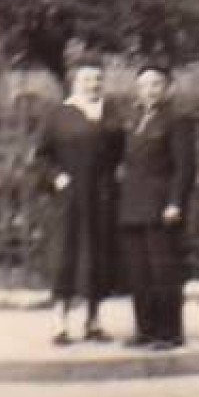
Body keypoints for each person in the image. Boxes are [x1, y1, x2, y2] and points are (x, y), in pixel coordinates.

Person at [35, 55, 125, 345]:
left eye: (98, 79)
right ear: (75, 81)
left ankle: (93, 321)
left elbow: (122, 153)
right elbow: (41, 156)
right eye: (87, 79)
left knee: (98, 257)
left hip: (101, 196)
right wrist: (57, 178)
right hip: (70, 198)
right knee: (65, 255)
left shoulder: (111, 112)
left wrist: (117, 178)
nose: (93, 84)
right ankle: (60, 323)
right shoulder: (59, 114)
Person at [117, 64, 198, 350]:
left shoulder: (178, 120)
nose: (149, 90)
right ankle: (145, 330)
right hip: (132, 206)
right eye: (143, 85)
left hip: (162, 207)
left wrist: (176, 202)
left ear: (167, 87)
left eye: (155, 84)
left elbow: (185, 167)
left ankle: (170, 333)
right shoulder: (133, 117)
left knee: (164, 272)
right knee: (138, 272)